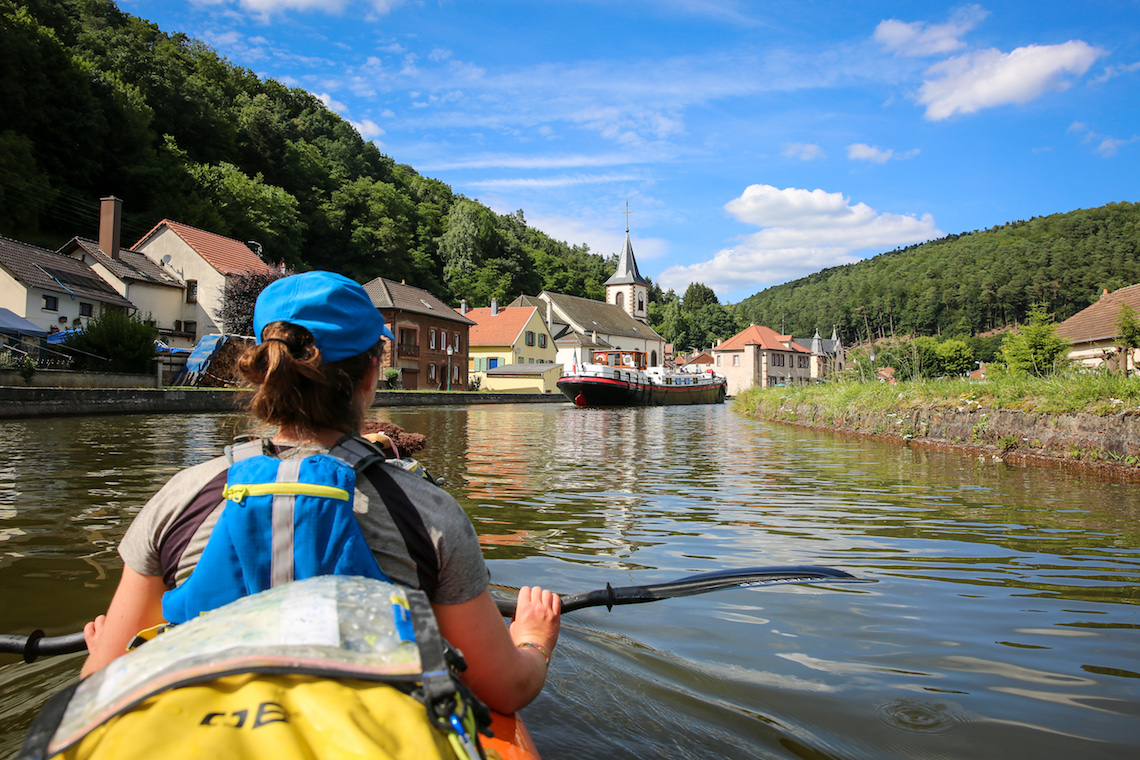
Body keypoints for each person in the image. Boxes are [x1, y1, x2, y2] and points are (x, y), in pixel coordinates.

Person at [81, 270, 560, 715]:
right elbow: (506, 690)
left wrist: (115, 648)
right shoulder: (429, 513)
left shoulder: (180, 499)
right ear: (371, 375)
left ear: (264, 369)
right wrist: (533, 638)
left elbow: (99, 684)